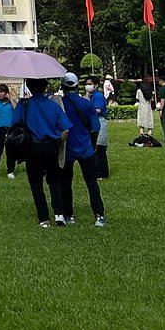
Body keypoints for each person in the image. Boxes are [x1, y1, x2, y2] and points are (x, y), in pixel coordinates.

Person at [17, 78, 72, 228]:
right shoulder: (53, 105)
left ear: (28, 86)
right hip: (51, 146)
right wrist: (59, 144)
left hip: (32, 147)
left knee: (36, 184)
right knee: (54, 181)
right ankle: (59, 214)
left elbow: (14, 123)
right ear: (45, 87)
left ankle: (43, 218)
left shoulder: (24, 104)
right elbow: (65, 128)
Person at [59, 73, 106, 227]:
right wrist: (93, 144)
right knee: (92, 182)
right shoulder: (86, 103)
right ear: (77, 85)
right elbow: (95, 127)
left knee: (66, 182)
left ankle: (68, 214)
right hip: (85, 146)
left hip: (67, 147)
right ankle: (99, 215)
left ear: (62, 86)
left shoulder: (59, 104)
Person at [85, 78, 110, 179]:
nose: (87, 86)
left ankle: (101, 173)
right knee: (96, 148)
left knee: (99, 149)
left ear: (95, 85)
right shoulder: (92, 96)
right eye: (86, 84)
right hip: (94, 122)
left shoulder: (98, 96)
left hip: (99, 122)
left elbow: (98, 110)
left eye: (89, 84)